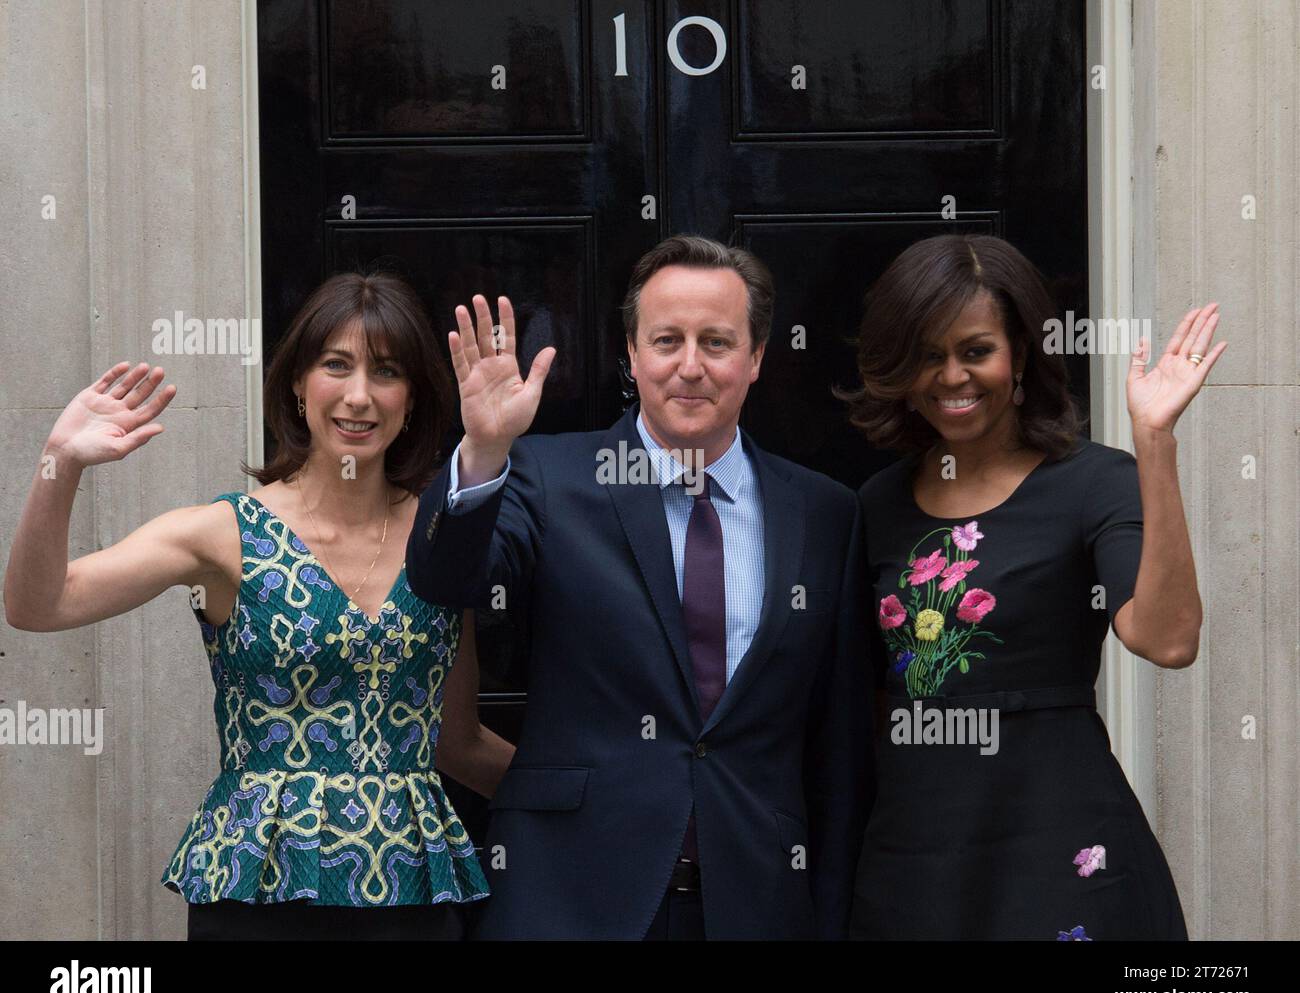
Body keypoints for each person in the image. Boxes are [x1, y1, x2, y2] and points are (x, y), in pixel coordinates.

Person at [4, 272, 514, 941]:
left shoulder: (444, 537)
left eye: (385, 371)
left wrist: (613, 802)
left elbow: (458, 740)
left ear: (412, 399)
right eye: (337, 365)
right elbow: (39, 605)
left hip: (411, 893)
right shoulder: (223, 534)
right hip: (257, 894)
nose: (359, 395)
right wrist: (59, 463)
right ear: (298, 384)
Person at [405, 235, 873, 940]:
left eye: (716, 342)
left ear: (756, 357)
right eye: (666, 340)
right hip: (571, 902)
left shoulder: (826, 513)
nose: (690, 367)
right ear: (631, 354)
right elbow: (445, 579)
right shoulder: (546, 478)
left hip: (758, 905)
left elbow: (839, 753)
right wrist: (482, 452)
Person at [843, 234, 1216, 940]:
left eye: (976, 350)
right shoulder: (875, 505)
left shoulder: (1094, 482)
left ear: (1019, 356)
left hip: (1061, 841)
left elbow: (1167, 639)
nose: (952, 376)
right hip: (916, 856)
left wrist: (1155, 444)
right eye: (927, 355)